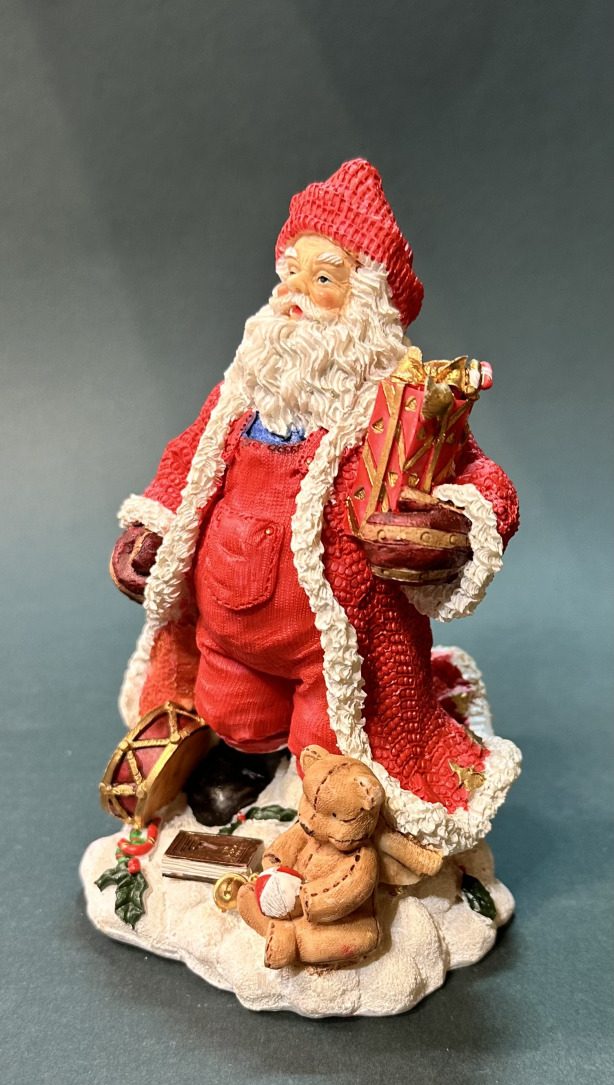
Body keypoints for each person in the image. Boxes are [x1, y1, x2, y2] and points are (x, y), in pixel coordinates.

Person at [110, 159, 520, 848]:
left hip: (337, 645)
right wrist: (149, 528)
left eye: (323, 277)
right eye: (290, 272)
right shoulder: (240, 394)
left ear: (368, 306)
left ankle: (324, 795)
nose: (294, 291)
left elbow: (486, 480)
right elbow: (184, 462)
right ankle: (245, 754)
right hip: (228, 626)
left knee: (333, 740)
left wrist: (456, 525)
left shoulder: (404, 409)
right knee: (230, 707)